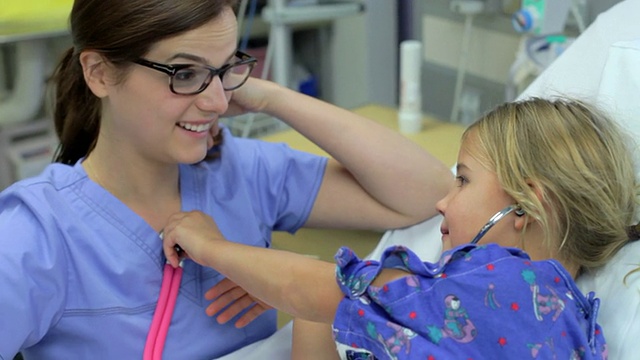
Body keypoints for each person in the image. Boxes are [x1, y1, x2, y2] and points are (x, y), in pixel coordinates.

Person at [0, 0, 454, 359]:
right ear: (98, 72)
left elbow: (429, 196)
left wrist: (268, 97)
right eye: (186, 73)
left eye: (225, 70)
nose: (217, 101)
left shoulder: (238, 170)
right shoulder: (37, 233)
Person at [162, 97, 637, 359]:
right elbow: (324, 300)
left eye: (463, 181)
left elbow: (308, 289)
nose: (442, 202)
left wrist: (211, 245)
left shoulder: (496, 285)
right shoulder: (572, 320)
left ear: (526, 204)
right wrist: (309, 297)